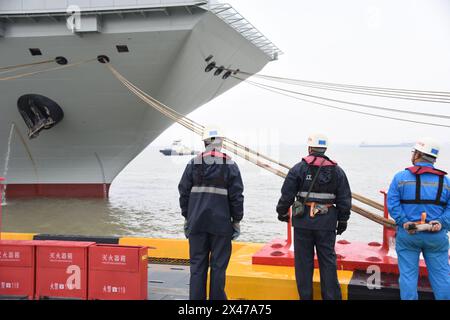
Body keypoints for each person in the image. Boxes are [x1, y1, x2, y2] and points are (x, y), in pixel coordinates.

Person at [276, 133, 352, 300]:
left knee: (303, 264)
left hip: (303, 222)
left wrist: (282, 212)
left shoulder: (298, 169)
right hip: (327, 222)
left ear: (309, 149)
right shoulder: (337, 171)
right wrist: (343, 220)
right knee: (328, 262)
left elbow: (287, 194)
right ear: (324, 149)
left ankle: (305, 297)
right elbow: (345, 198)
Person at [178, 126, 244, 300]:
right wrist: (236, 221)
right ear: (221, 143)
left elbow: (183, 192)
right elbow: (237, 196)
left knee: (197, 266)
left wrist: (187, 217)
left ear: (205, 142)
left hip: (197, 223)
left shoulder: (193, 163)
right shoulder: (230, 165)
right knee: (218, 267)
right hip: (221, 225)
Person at [387, 138, 450, 300]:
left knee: (408, 276)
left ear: (418, 154)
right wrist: (441, 222)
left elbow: (392, 204)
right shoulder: (445, 181)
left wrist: (404, 221)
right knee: (442, 277)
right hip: (436, 235)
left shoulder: (400, 177)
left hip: (409, 233)